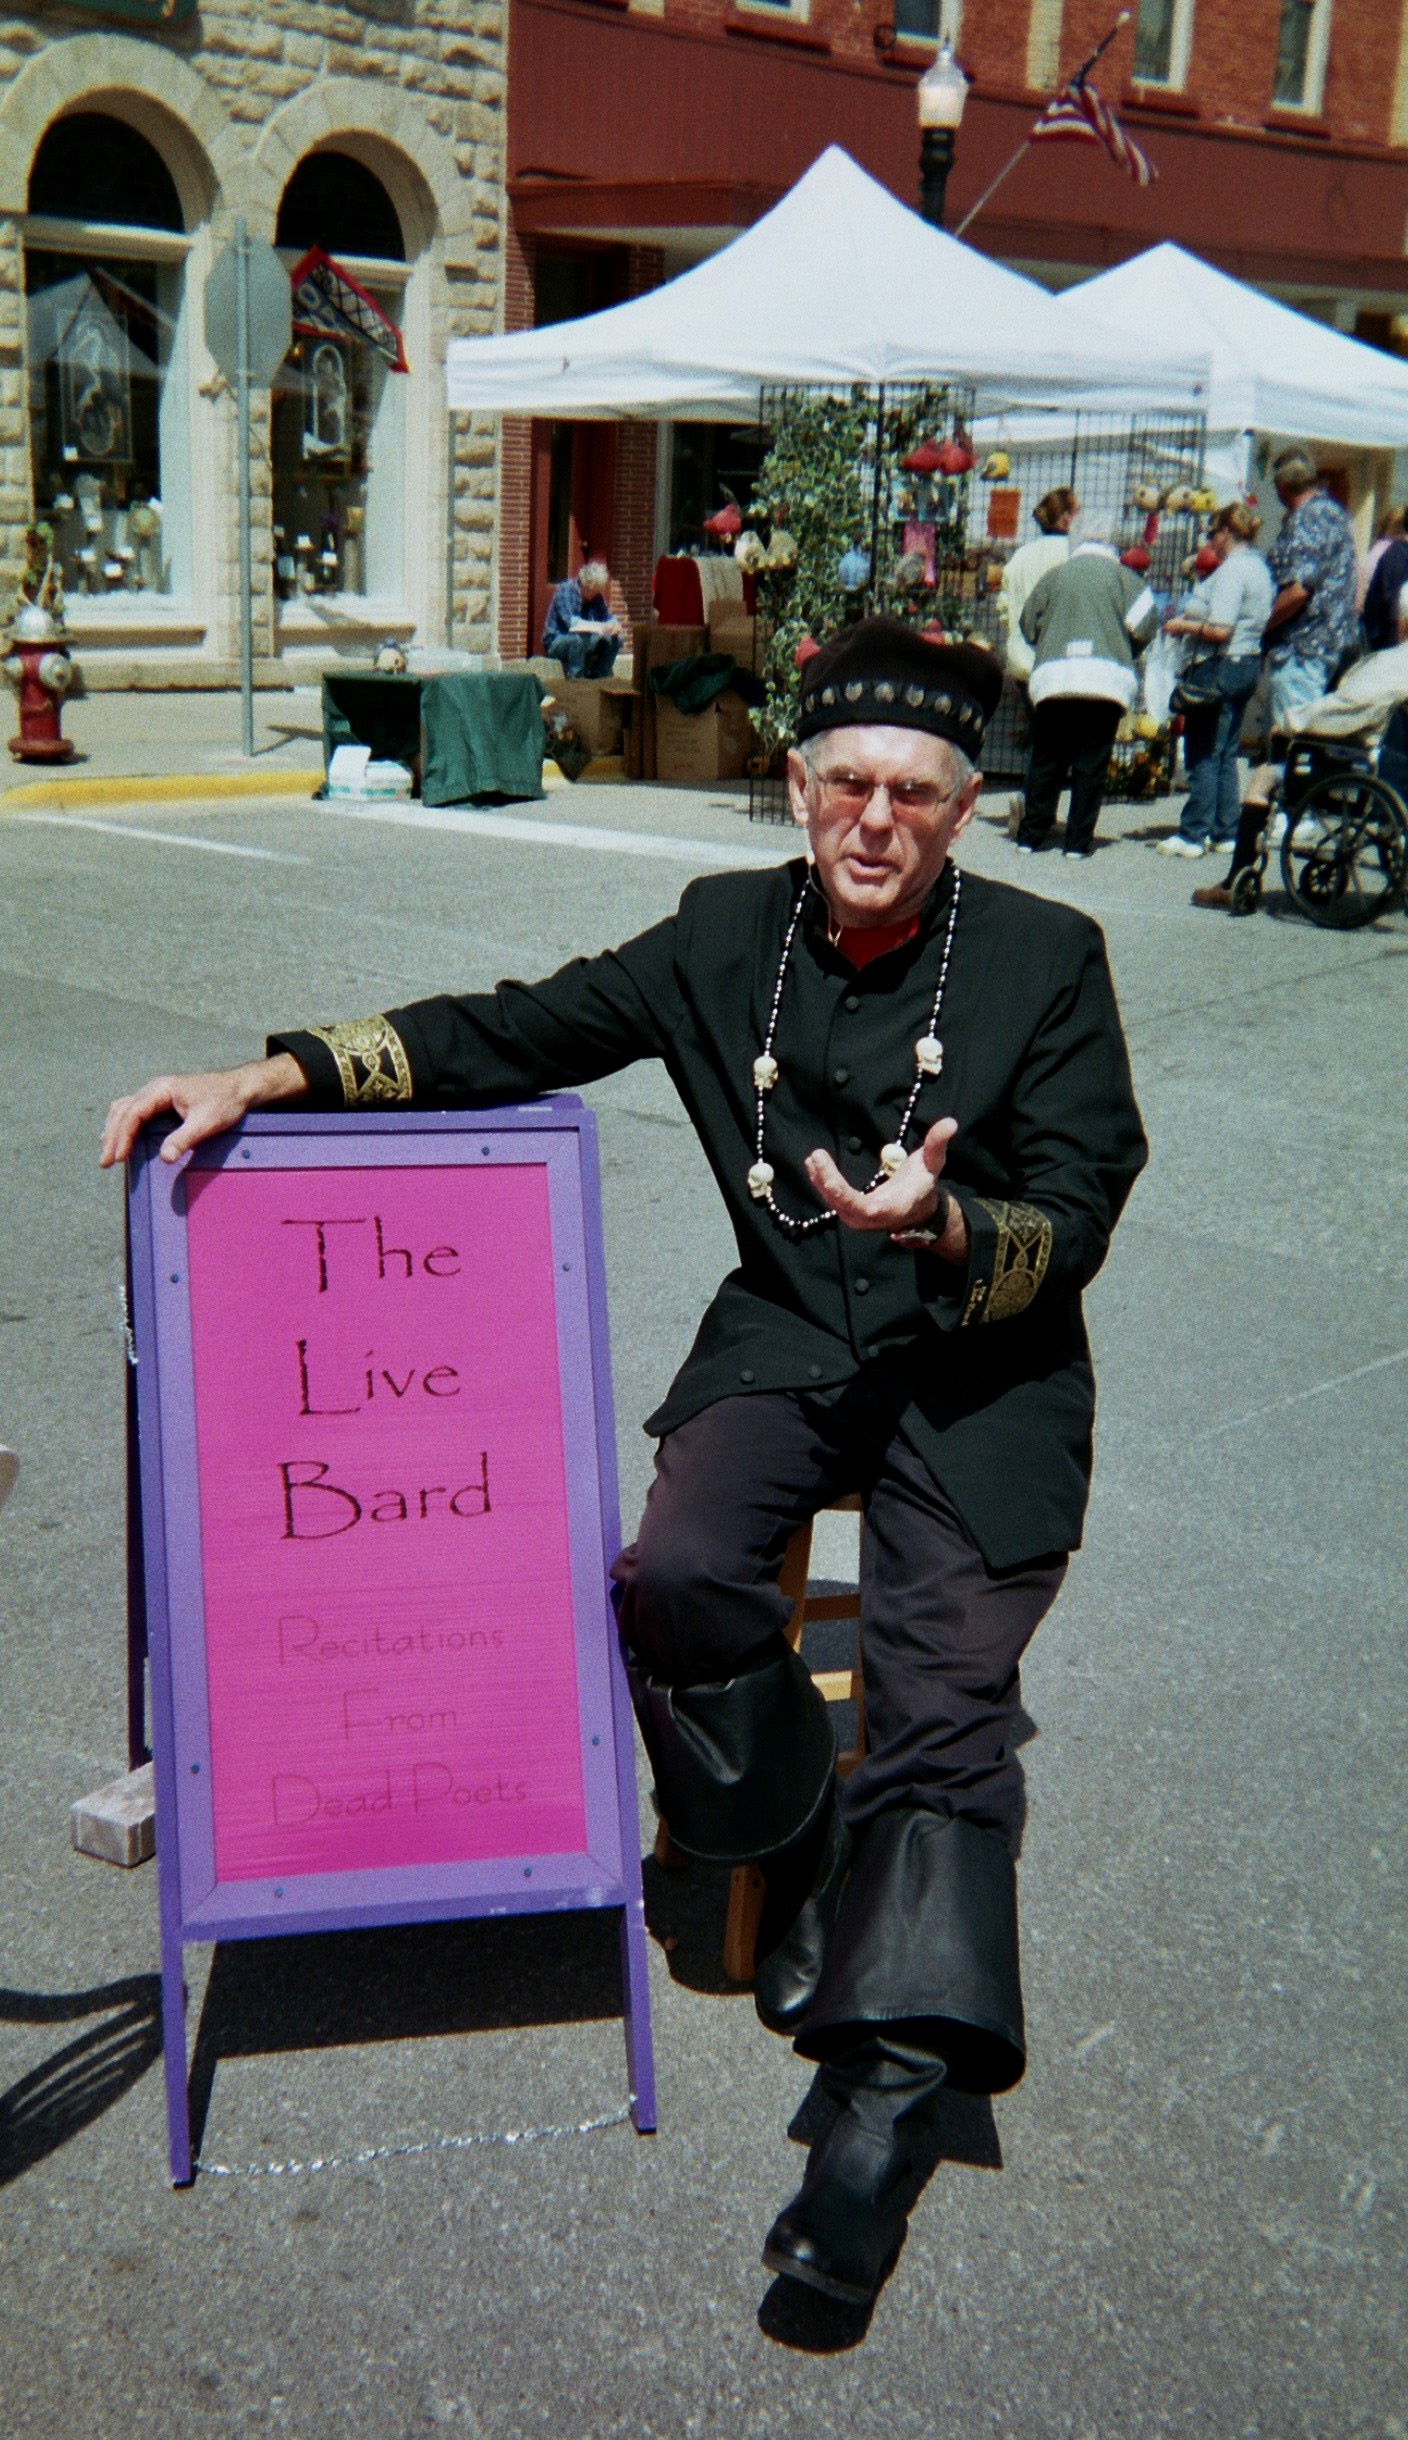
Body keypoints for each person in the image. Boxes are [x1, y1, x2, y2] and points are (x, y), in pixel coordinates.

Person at [101, 617, 1147, 2310]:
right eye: (844, 787)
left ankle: (881, 2106)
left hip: (982, 1373)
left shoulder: (1044, 956)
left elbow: (1080, 1215)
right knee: (669, 1576)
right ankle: (787, 1832)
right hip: (792, 1340)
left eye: (912, 796)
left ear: (962, 813)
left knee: (944, 1698)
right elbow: (521, 1028)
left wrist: (947, 1222)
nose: (872, 822)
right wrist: (271, 1069)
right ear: (796, 789)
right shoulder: (722, 931)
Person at [1191, 636, 1408, 912]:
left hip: (1359, 764)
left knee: (1263, 777)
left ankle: (1235, 880)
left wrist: (1289, 722)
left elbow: (1346, 708)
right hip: (1397, 771)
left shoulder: (1391, 665)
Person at [1015, 513, 1160, 858]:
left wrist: (1050, 640)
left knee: (1047, 759)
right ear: (1112, 542)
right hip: (1105, 679)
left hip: (1056, 678)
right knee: (1091, 763)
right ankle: (1077, 843)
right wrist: (1126, 646)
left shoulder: (1055, 576)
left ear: (1075, 540)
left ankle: (1030, 835)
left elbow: (1028, 623)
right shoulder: (1127, 579)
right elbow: (1147, 624)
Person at [1157, 502, 1274, 858]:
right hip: (1247, 663)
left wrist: (1182, 625)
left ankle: (1193, 833)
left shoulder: (1232, 572)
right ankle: (1225, 830)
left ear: (1226, 532)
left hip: (1220, 664)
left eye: (1212, 533)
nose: (1210, 541)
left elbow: (1220, 628)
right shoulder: (1258, 567)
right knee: (1225, 751)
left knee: (1203, 751)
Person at [1260, 450, 1359, 735]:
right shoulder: (1335, 513)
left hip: (1302, 651)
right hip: (1333, 644)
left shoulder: (1306, 519)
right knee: (1311, 746)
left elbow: (1298, 591)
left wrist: (1261, 626)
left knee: (1290, 748)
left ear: (1281, 487)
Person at [997, 487, 1078, 686]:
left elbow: (1004, 607)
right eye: (1079, 512)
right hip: (1063, 668)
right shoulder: (1077, 555)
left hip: (1023, 664)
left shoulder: (1020, 556)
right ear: (1067, 518)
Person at [542, 558, 621, 679]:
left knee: (616, 640)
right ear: (584, 583)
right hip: (557, 640)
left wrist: (614, 624)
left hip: (585, 639)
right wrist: (599, 627)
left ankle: (599, 675)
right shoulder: (565, 590)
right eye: (591, 590)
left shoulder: (596, 597)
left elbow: (607, 617)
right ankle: (577, 677)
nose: (593, 595)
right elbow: (571, 624)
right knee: (579, 638)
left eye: (596, 591)